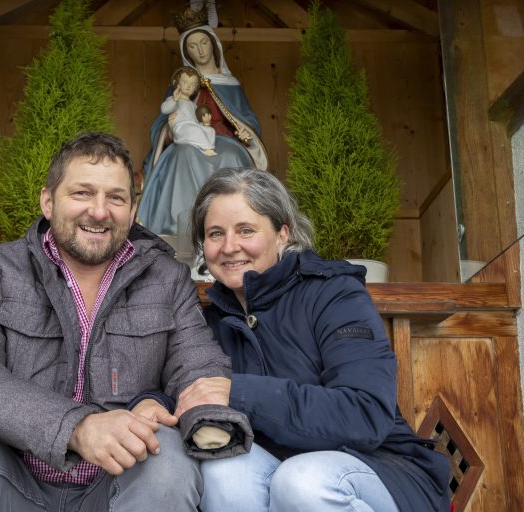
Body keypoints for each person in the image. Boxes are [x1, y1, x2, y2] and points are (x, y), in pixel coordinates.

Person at [0, 132, 240, 512]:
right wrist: (76, 427)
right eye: (82, 193)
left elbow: (199, 368)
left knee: (166, 453)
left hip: (115, 489)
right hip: (12, 480)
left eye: (115, 198)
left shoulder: (167, 278)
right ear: (48, 201)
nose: (100, 211)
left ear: (133, 211)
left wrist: (208, 421)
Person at [178, 167, 452, 511]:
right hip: (276, 466)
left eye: (246, 230)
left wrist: (239, 393)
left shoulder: (334, 294)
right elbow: (176, 383)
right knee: (223, 472)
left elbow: (365, 415)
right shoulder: (210, 318)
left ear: (282, 233)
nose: (230, 247)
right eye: (216, 234)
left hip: (377, 466)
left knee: (301, 481)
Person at [137, 7, 268, 236]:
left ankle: (232, 226)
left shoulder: (230, 83)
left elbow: (248, 120)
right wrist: (168, 128)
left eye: (204, 43)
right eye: (192, 46)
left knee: (231, 157)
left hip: (226, 141)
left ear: (214, 44)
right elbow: (159, 123)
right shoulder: (181, 85)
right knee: (181, 154)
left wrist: (245, 131)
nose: (200, 50)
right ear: (186, 52)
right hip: (187, 141)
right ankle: (180, 229)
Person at [162, 66, 216, 156]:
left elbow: (196, 121)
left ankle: (207, 148)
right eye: (184, 82)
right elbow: (164, 109)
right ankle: (206, 149)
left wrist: (205, 124)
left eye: (193, 85)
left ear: (195, 89)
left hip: (193, 126)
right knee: (194, 130)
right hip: (181, 128)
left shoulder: (193, 105)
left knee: (210, 131)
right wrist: (174, 100)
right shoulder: (174, 100)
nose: (188, 86)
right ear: (178, 84)